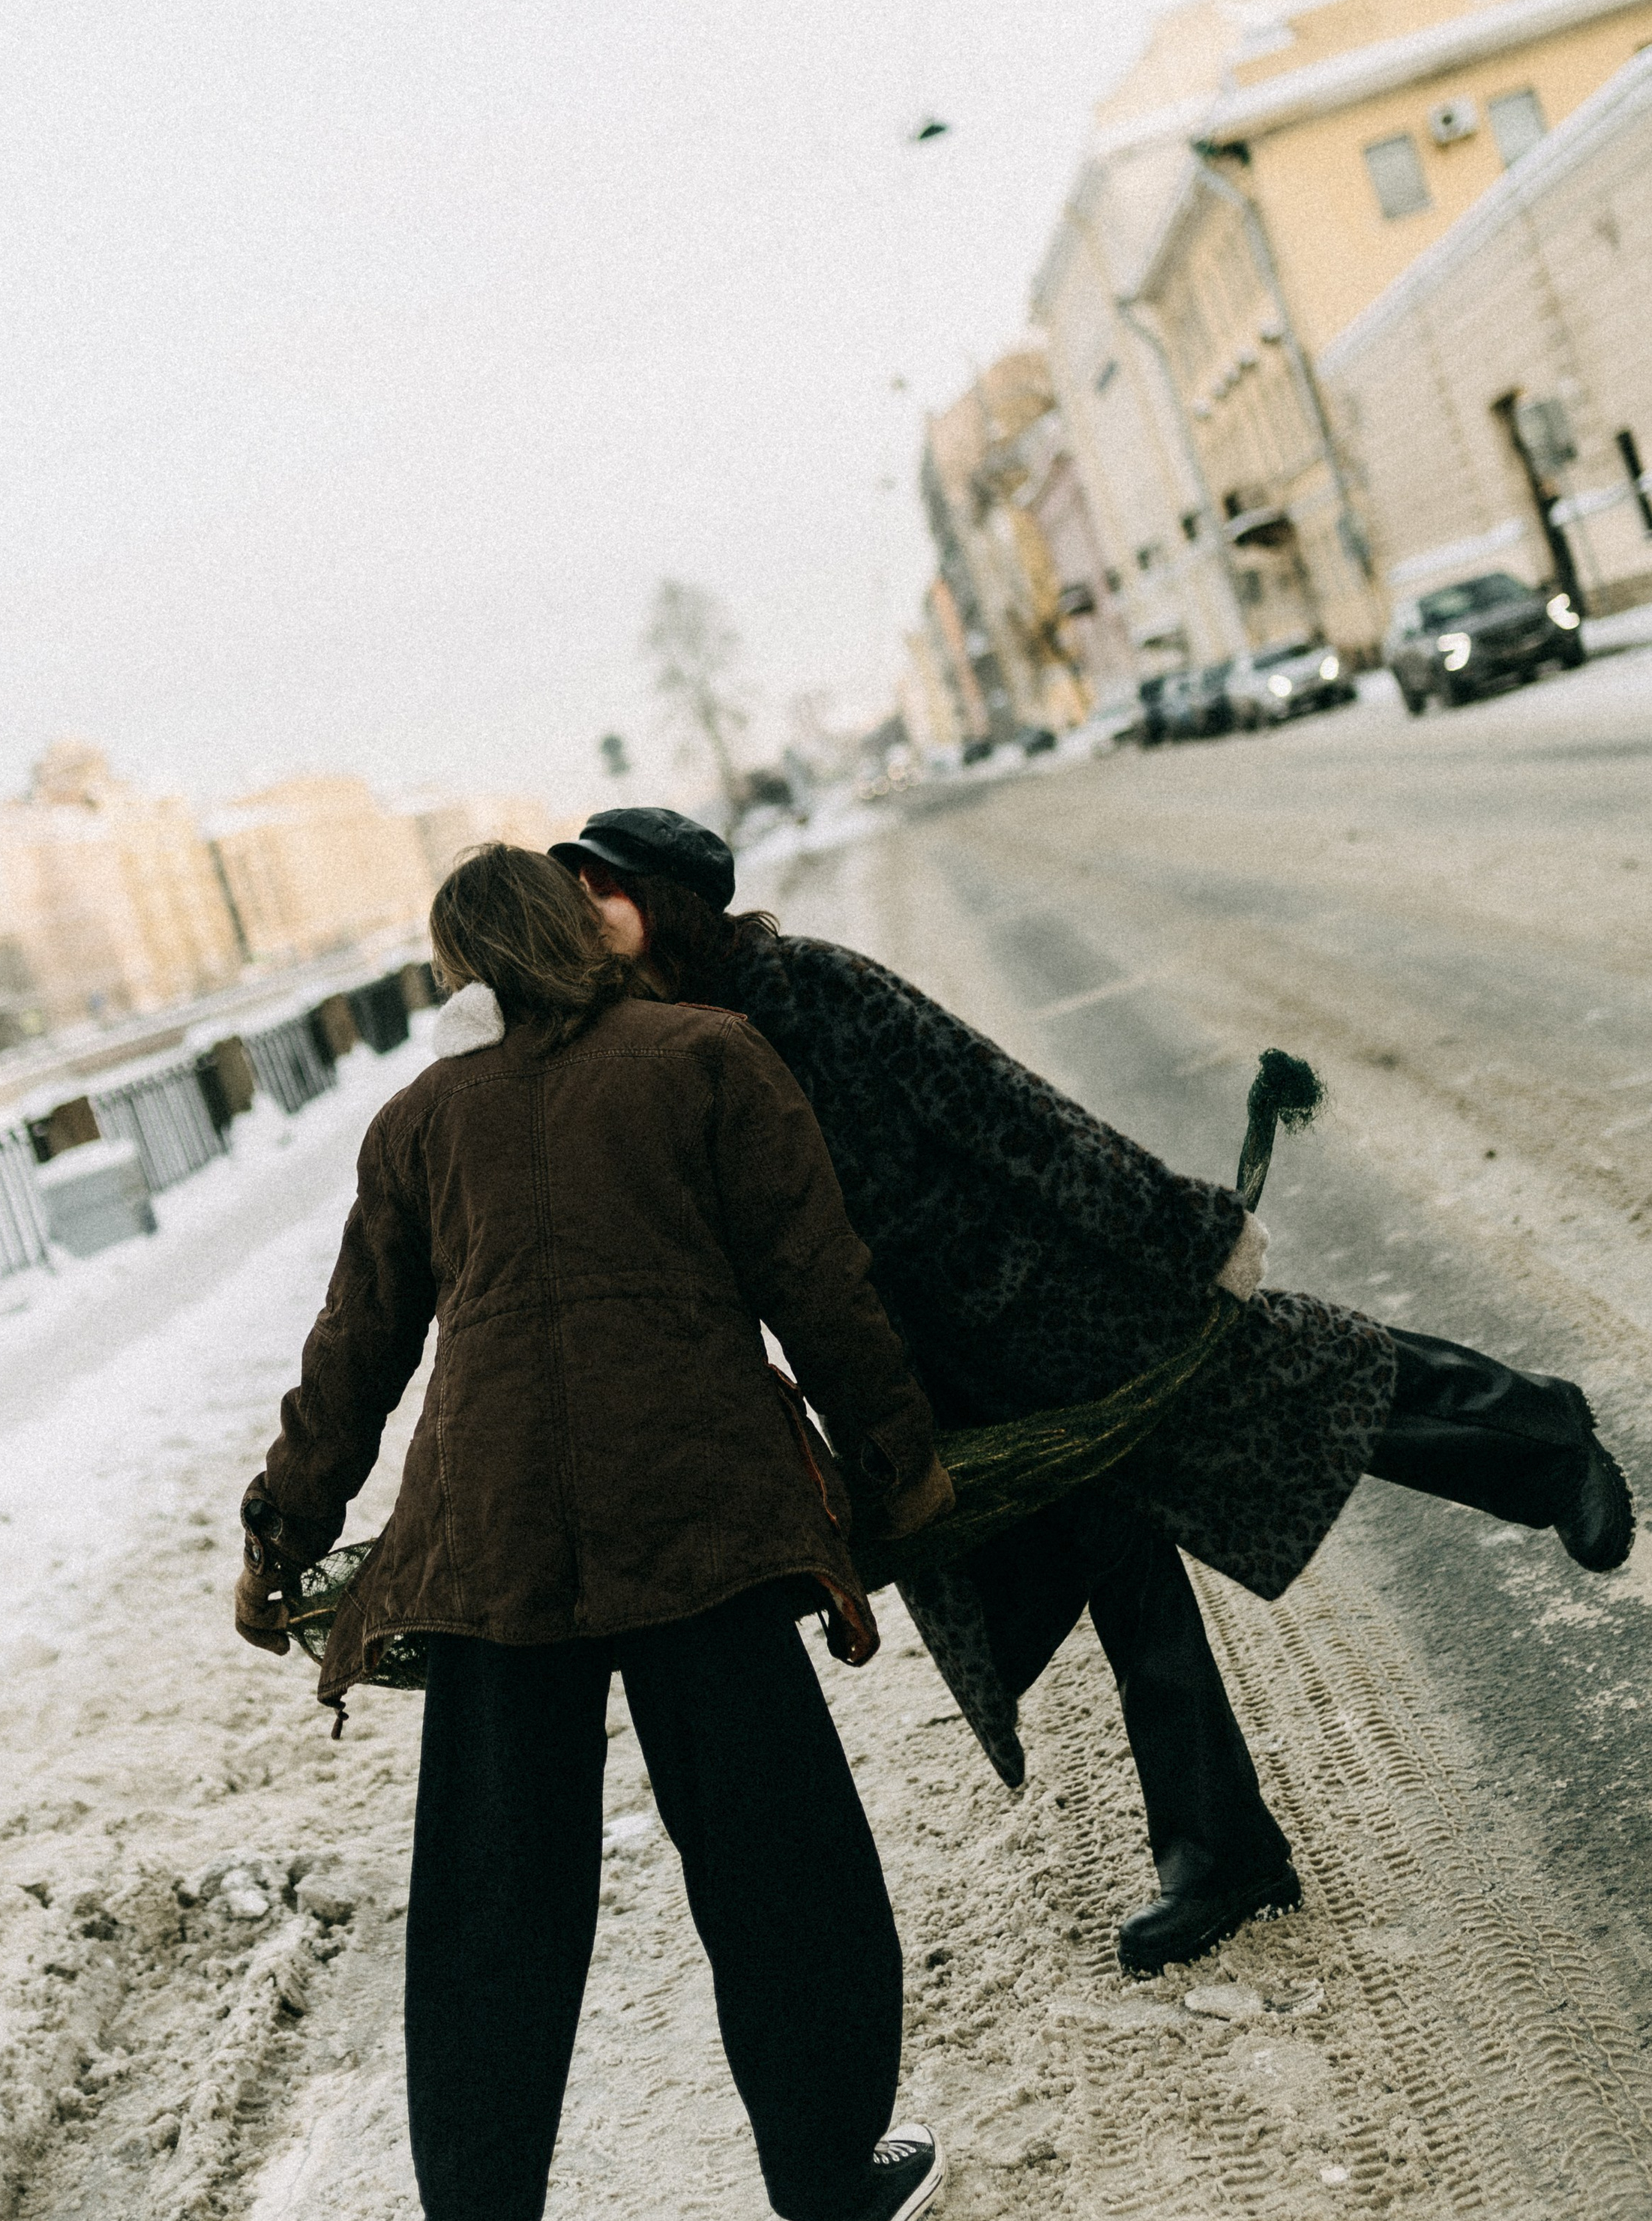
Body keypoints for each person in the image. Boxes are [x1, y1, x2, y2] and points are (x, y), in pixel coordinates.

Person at [552, 806, 1637, 1974]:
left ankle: (1547, 1434)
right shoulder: (659, 1052)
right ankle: (1220, 1849)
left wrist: (1186, 1226)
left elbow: (1007, 1109)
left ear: (667, 895)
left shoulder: (818, 987)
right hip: (946, 1361)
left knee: (1309, 1379)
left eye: (600, 886)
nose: (582, 908)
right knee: (1119, 1555)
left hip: (1059, 1290)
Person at [235, 846, 957, 2221]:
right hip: (693, 1512)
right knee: (775, 1861)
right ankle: (836, 2191)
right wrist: (894, 1462)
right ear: (580, 934)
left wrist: (279, 1534)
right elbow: (820, 1285)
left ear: (462, 971)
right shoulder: (706, 1056)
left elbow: (352, 1354)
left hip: (492, 1538)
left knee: (491, 1907)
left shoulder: (421, 1119)